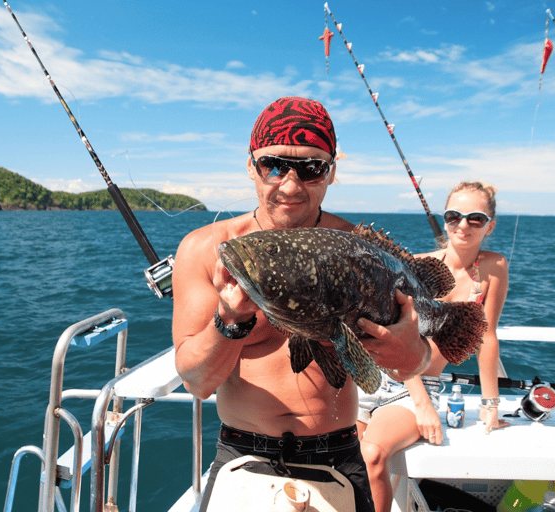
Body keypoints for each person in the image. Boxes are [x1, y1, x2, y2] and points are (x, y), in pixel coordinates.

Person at [171, 96, 432, 512]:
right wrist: (229, 321)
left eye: (311, 168)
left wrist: (412, 352)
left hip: (341, 454)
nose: (290, 185)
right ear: (251, 166)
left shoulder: (358, 250)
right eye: (273, 165)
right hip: (242, 455)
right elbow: (197, 383)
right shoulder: (205, 250)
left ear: (331, 172)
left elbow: (411, 366)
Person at [356, 181, 510, 512]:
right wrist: (423, 405)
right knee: (343, 462)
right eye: (454, 216)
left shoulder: (493, 268)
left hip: (414, 388)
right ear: (444, 219)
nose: (463, 225)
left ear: (490, 225)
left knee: (371, 455)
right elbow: (399, 335)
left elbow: (487, 335)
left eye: (476, 218)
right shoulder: (417, 262)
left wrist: (490, 404)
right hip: (370, 377)